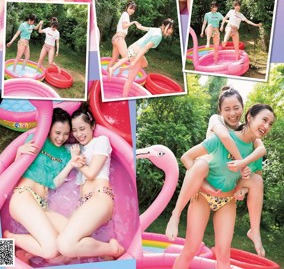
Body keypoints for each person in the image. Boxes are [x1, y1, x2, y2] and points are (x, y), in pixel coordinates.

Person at [168, 103, 275, 269]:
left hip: (226, 202)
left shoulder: (255, 151)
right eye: (264, 120)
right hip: (203, 197)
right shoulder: (222, 138)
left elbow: (255, 180)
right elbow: (186, 157)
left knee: (224, 256)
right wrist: (203, 185)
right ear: (249, 117)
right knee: (190, 249)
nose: (266, 126)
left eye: (270, 124)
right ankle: (175, 214)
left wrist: (243, 189)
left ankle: (254, 230)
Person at [4, 108, 84, 259]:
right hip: (24, 195)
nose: (61, 138)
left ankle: (25, 254)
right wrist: (19, 153)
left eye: (66, 134)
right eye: (57, 132)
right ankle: (9, 237)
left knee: (71, 240)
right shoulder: (38, 139)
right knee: (51, 249)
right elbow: (14, 173)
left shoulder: (65, 154)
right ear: (49, 129)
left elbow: (55, 183)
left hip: (42, 206)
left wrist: (71, 163)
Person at [56, 104, 125, 259]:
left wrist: (77, 160)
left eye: (82, 128)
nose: (79, 134)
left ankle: (112, 249)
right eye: (75, 130)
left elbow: (92, 173)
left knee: (64, 245)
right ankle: (21, 252)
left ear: (92, 125)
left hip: (99, 197)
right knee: (57, 255)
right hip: (86, 203)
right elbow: (52, 146)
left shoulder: (101, 140)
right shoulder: (76, 149)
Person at [108, 18, 174, 97]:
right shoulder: (158, 36)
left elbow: (141, 28)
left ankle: (124, 68)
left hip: (133, 47)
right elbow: (144, 48)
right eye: (169, 28)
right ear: (164, 26)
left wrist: (137, 24)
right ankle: (123, 99)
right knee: (130, 80)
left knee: (145, 64)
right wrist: (134, 61)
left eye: (172, 29)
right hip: (138, 52)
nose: (171, 30)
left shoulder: (155, 29)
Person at [107, 0, 141, 71]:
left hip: (116, 38)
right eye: (130, 8)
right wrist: (133, 22)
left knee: (114, 59)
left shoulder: (124, 14)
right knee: (127, 57)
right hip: (119, 39)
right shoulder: (126, 14)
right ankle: (120, 69)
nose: (132, 10)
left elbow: (119, 26)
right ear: (126, 7)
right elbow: (124, 26)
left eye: (133, 9)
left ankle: (107, 74)